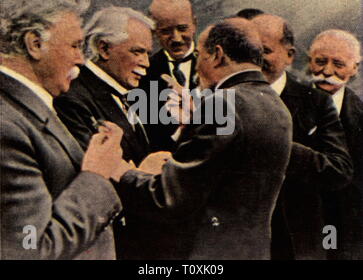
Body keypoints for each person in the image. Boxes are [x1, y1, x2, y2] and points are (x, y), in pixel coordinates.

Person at [115, 17, 293, 259]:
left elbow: (168, 198)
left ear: (218, 55)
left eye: (199, 55)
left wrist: (120, 172)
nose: (196, 67)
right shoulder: (276, 106)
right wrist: (191, 125)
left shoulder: (221, 103)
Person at [0, 0, 124, 260]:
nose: (81, 60)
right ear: (35, 44)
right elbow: (31, 251)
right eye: (75, 46)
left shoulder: (24, 109)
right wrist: (95, 176)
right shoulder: (6, 126)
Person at [250, 14, 353, 259]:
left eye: (264, 50)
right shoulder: (222, 99)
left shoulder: (315, 102)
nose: (255, 59)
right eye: (248, 50)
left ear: (290, 55)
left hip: (296, 243)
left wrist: (282, 147)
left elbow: (339, 170)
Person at [54, 6, 154, 167]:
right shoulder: (72, 100)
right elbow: (91, 172)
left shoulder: (124, 94)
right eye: (137, 52)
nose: (147, 63)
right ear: (104, 49)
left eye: (147, 54)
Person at [308, 29, 363, 259]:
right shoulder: (288, 105)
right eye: (320, 62)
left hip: (346, 229)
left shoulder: (359, 115)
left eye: (338, 64)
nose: (327, 72)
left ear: (355, 68)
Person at [140, 0, 198, 151]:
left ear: (195, 24)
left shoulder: (215, 65)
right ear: (154, 32)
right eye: (166, 31)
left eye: (182, 28)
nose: (176, 38)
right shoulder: (144, 73)